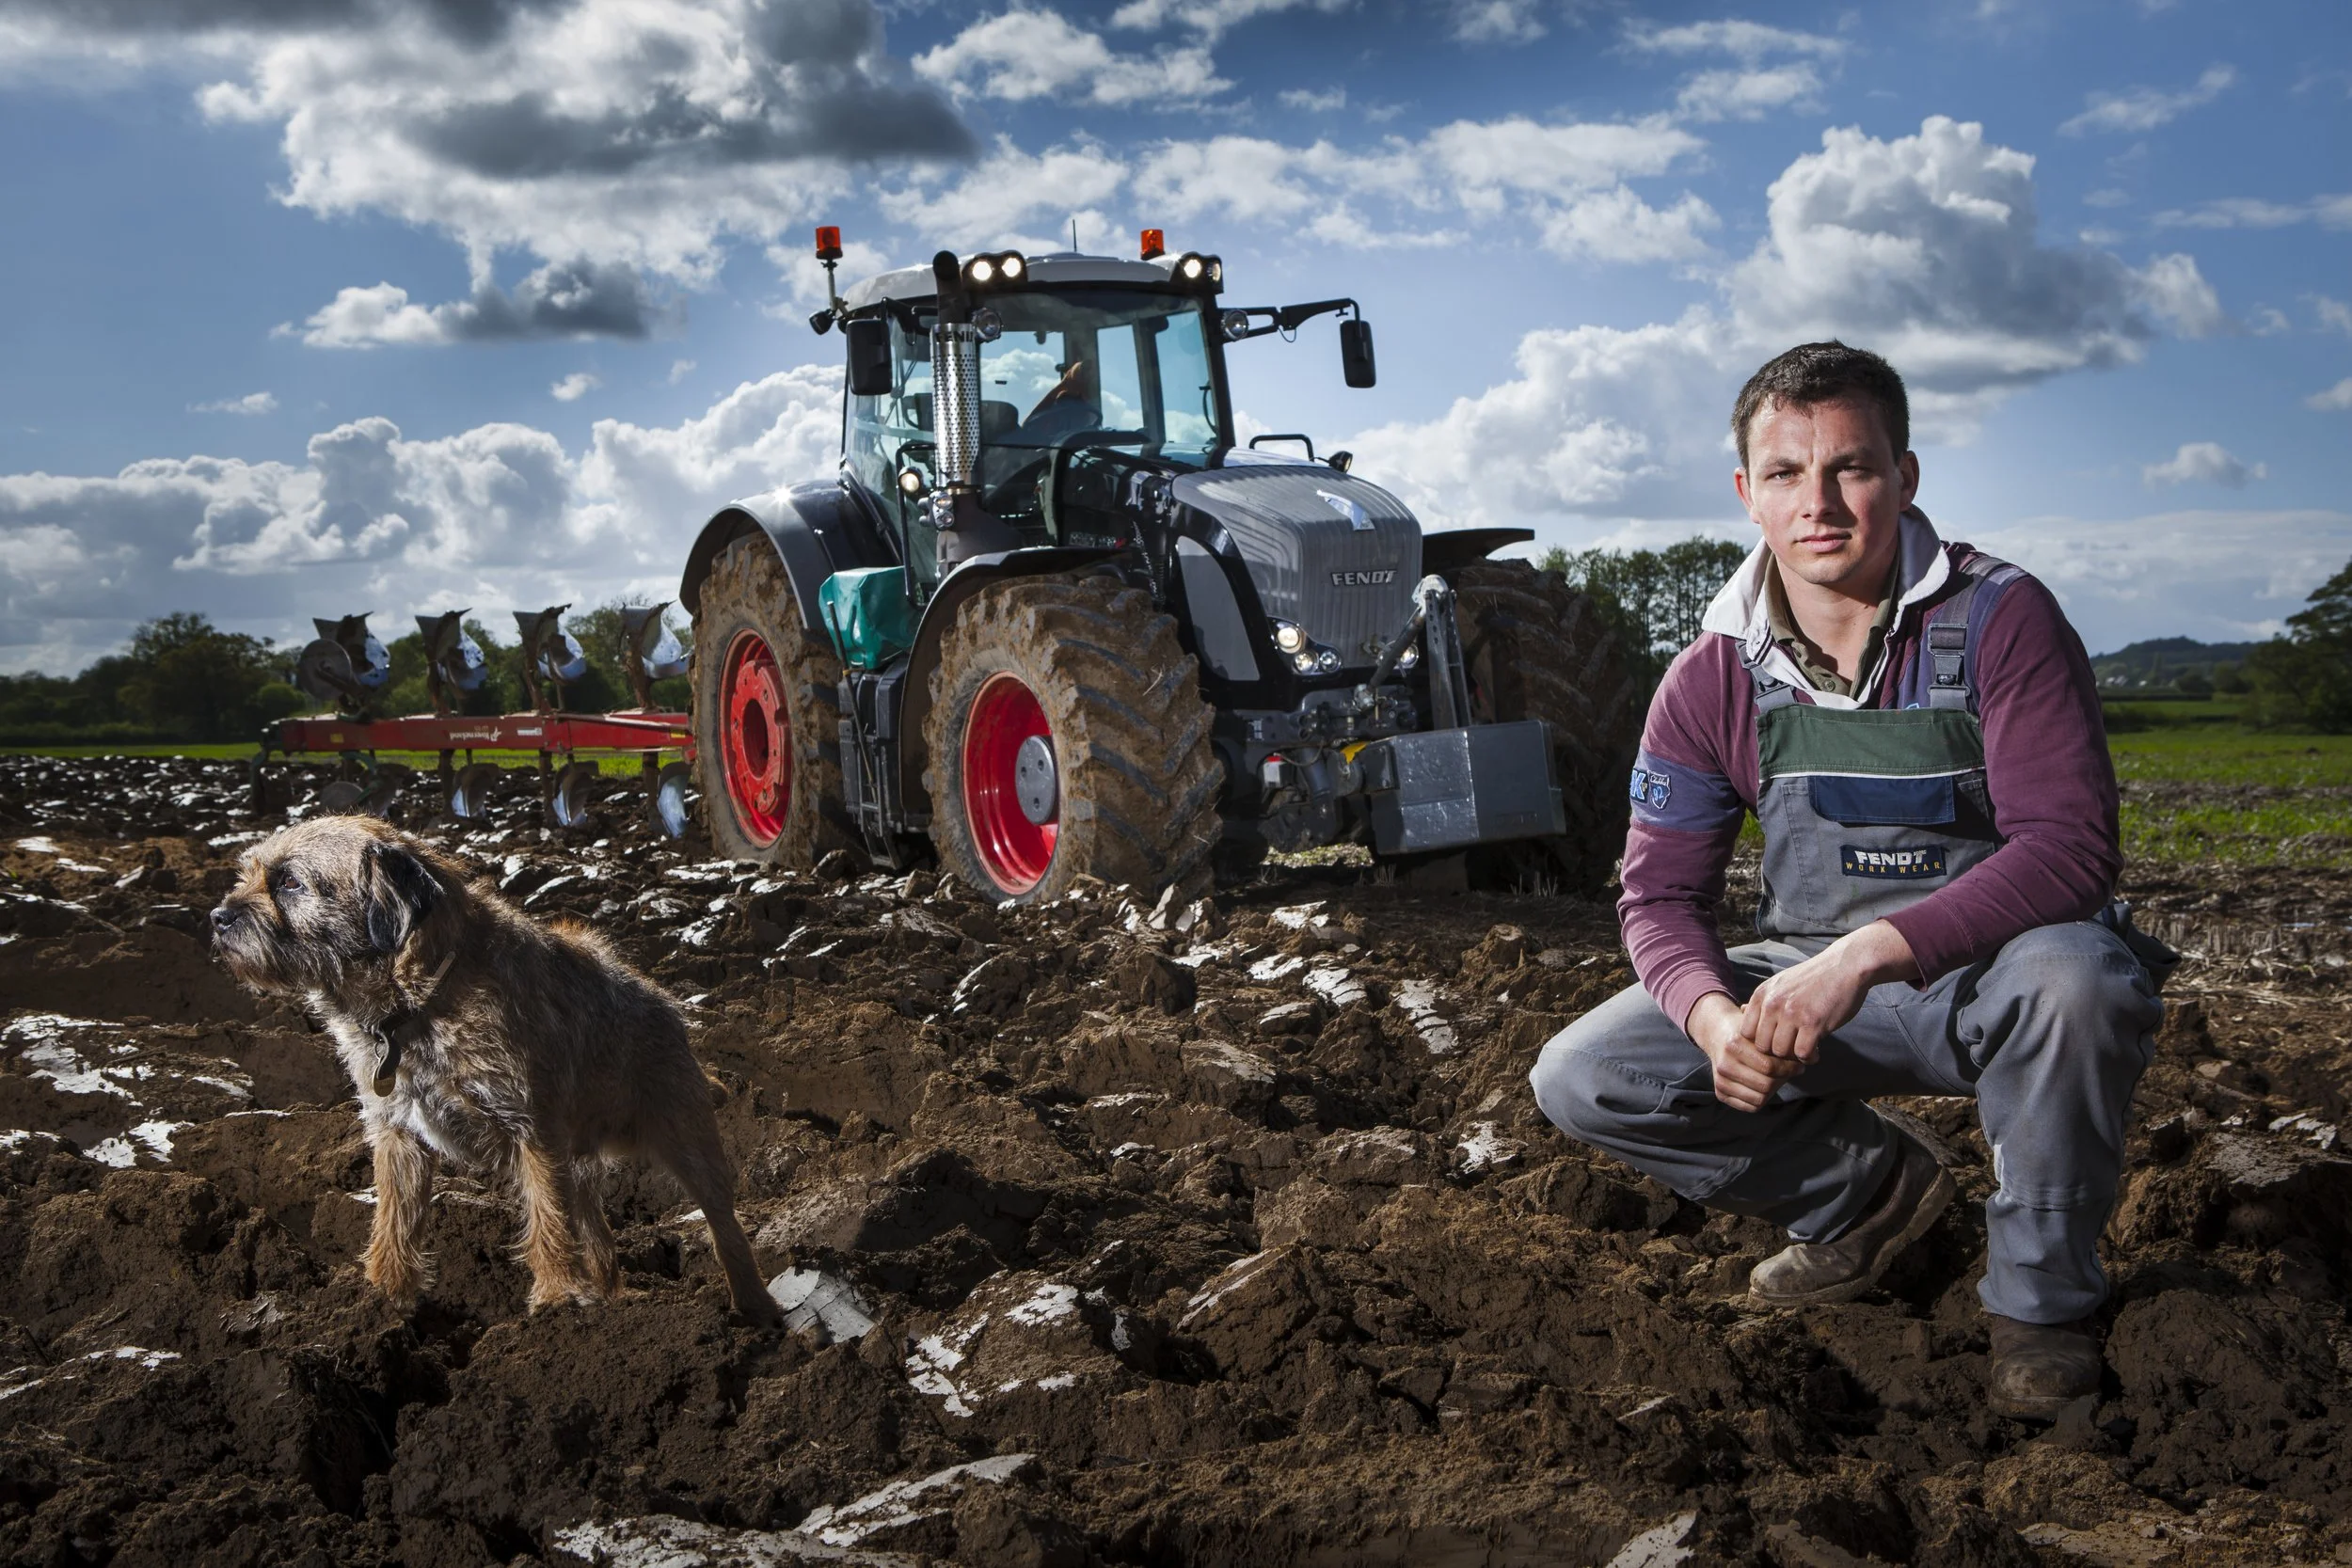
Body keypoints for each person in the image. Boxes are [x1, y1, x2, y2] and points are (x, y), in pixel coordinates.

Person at [1528, 341, 2163, 1420]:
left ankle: (2040, 1307)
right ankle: (1870, 1200)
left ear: (1903, 477)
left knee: (2080, 977)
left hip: (1990, 974)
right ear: (1746, 491)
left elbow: (2069, 850)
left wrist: (1863, 957)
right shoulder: (1708, 676)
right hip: (1808, 987)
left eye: (1850, 468)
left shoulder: (2002, 619)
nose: (1817, 502)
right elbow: (1659, 898)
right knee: (1584, 1072)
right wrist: (1714, 1016)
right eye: (1784, 473)